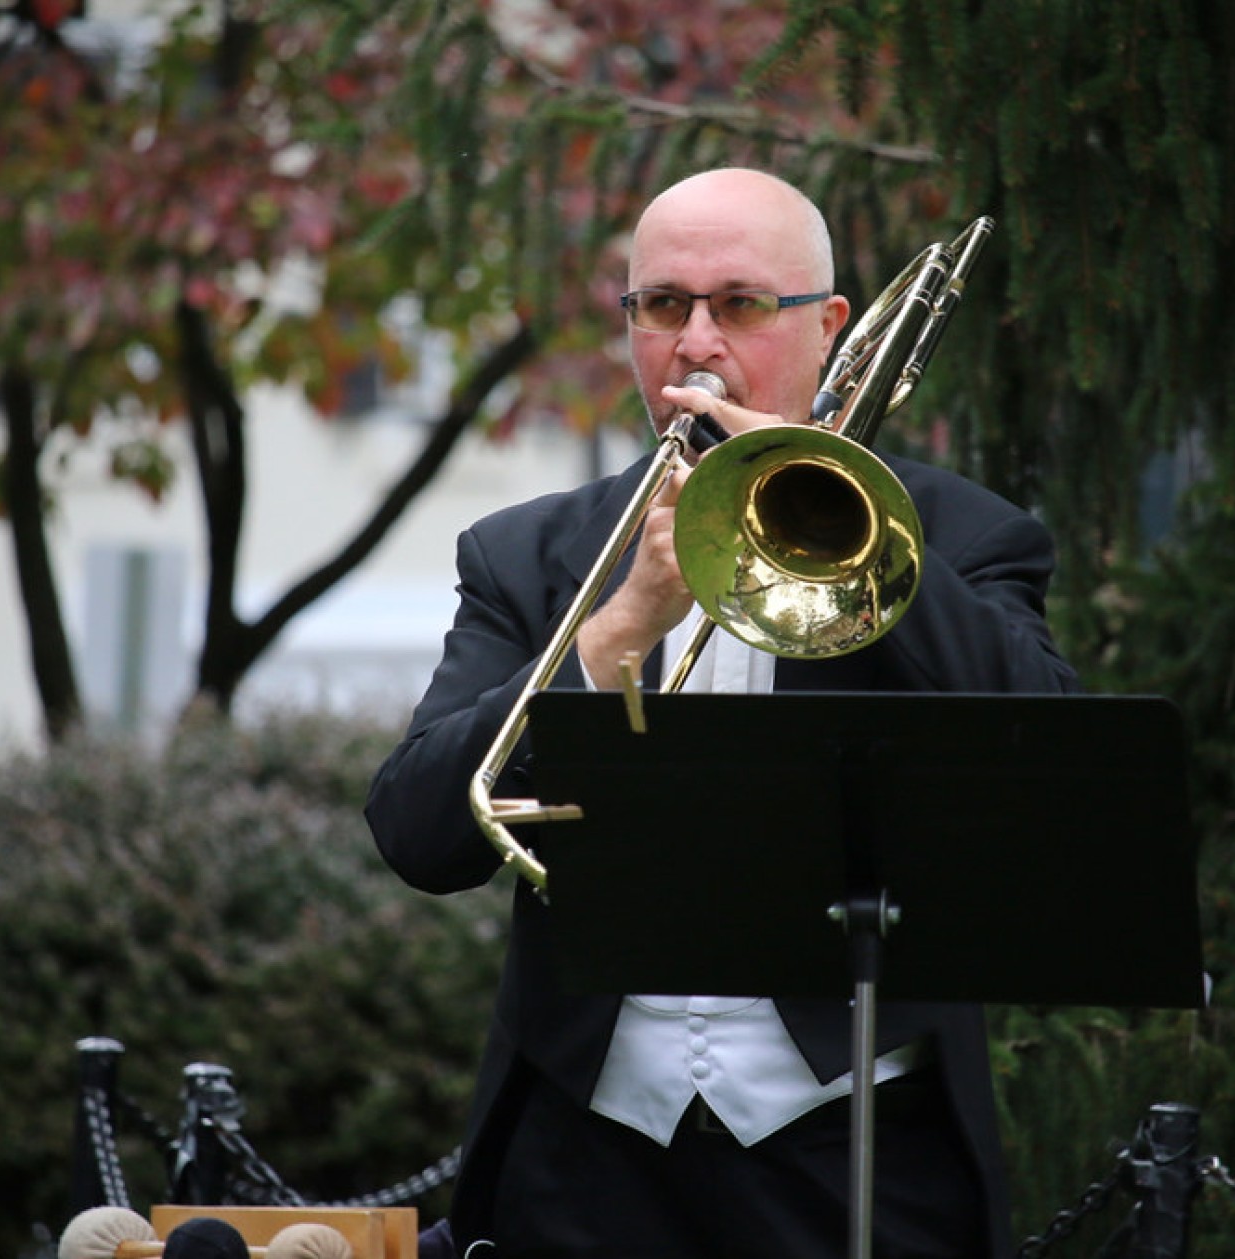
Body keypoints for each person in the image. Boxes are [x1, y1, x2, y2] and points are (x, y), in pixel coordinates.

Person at [366, 167, 1079, 1258]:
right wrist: (612, 635)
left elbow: (1049, 758)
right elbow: (419, 832)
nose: (696, 342)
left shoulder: (961, 535)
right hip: (581, 1157)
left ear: (830, 330)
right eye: (662, 306)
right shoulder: (526, 554)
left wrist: (865, 553)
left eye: (740, 304)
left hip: (851, 1155)